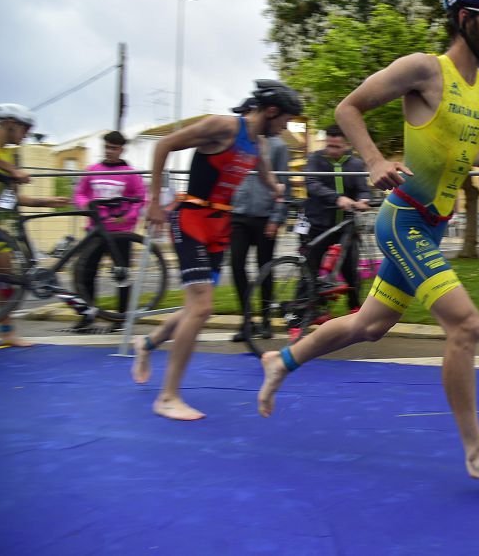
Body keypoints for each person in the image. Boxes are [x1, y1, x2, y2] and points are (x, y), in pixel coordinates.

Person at [257, 0, 479, 489]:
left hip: (431, 228)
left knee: (368, 325)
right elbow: (348, 107)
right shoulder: (424, 70)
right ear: (465, 19)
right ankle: (476, 452)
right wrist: (374, 158)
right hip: (402, 218)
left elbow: (470, 155)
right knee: (466, 326)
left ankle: (282, 360)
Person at [131, 81, 300, 420]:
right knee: (202, 306)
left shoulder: (259, 143)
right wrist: (153, 202)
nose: (286, 127)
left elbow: (263, 173)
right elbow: (164, 144)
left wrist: (277, 191)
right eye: (285, 119)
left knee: (197, 306)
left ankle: (147, 344)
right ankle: (167, 397)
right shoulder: (223, 127)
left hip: (219, 225)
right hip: (191, 217)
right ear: (270, 111)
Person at [0, 104, 70, 346]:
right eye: (25, 129)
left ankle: (7, 332)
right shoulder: (6, 161)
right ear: (10, 123)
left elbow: (11, 198)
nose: (27, 135)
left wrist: (47, 201)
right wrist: (13, 170)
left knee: (6, 280)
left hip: (0, 227)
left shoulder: (7, 156)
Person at [229, 97, 291, 342]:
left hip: (265, 216)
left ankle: (266, 320)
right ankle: (247, 321)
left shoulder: (278, 145)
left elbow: (283, 183)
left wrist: (277, 217)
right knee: (236, 265)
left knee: (265, 268)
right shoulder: (237, 143)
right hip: (238, 214)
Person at [73, 130, 148, 329]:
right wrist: (86, 205)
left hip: (120, 232)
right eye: (107, 147)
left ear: (121, 149)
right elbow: (80, 193)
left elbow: (141, 199)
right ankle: (87, 316)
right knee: (87, 273)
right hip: (95, 230)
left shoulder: (131, 174)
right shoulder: (92, 169)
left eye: (114, 148)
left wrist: (128, 217)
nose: (109, 151)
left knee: (122, 274)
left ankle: (122, 318)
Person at [301, 124, 371, 317]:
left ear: (347, 145)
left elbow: (362, 188)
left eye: (336, 147)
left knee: (350, 268)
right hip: (319, 223)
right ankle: (304, 310)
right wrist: (337, 198)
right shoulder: (315, 159)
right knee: (310, 267)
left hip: (346, 227)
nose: (331, 150)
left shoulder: (356, 164)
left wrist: (363, 199)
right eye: (329, 145)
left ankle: (355, 308)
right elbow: (312, 184)